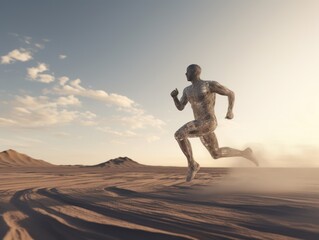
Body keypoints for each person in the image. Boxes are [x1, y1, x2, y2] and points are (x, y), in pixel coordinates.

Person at [171, 64, 258, 182]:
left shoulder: (208, 84)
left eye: (187, 72)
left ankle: (192, 165)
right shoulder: (187, 90)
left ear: (194, 72)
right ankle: (245, 153)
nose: (185, 74)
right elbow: (180, 107)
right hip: (199, 125)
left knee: (179, 134)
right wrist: (174, 97)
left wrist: (230, 111)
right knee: (215, 153)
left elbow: (230, 93)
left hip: (208, 121)